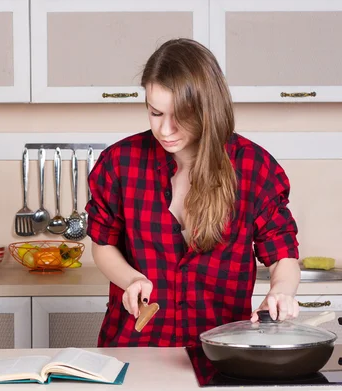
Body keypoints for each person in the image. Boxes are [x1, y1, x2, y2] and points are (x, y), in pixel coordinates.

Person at [85, 38, 301, 348]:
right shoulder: (120, 163)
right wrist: (131, 279)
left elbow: (283, 255)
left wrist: (281, 291)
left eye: (181, 116)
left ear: (208, 109)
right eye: (156, 114)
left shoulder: (253, 167)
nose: (165, 130)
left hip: (221, 351)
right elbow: (103, 245)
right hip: (136, 347)